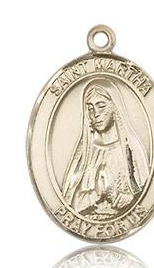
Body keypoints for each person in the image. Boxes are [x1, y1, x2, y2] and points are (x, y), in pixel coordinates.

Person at [62, 78, 149, 219]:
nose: (95, 114)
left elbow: (145, 191)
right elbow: (69, 199)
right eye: (90, 109)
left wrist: (130, 198)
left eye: (101, 106)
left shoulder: (131, 150)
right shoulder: (85, 152)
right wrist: (96, 193)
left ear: (114, 107)